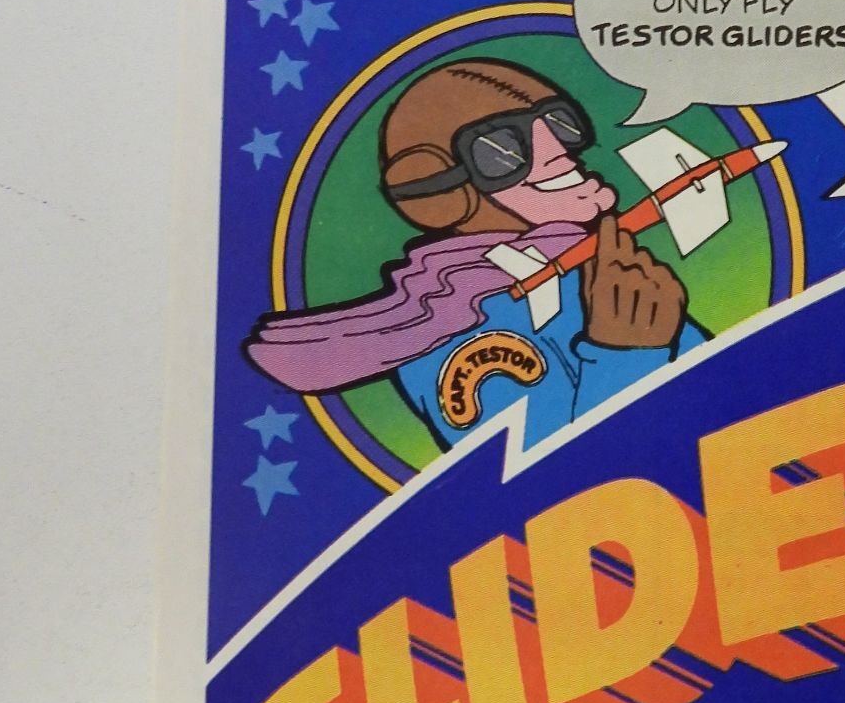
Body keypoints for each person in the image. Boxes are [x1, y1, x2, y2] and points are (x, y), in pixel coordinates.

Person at [245, 57, 695, 450]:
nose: (558, 153)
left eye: (559, 124)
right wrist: (626, 353)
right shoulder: (449, 333)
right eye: (504, 149)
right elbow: (546, 485)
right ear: (440, 190)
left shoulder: (599, 275)